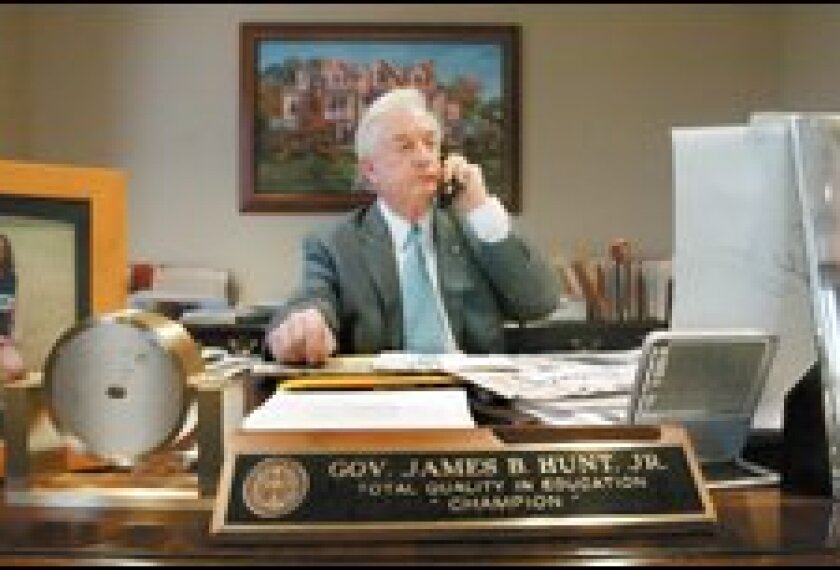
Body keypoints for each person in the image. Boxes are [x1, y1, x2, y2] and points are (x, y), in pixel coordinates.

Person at [267, 87, 559, 365]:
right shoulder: (335, 243)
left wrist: (481, 209)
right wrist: (303, 323)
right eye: (405, 146)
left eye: (431, 143)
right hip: (383, 402)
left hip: (476, 400)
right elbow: (313, 299)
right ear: (370, 171)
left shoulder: (473, 227)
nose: (424, 157)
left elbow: (539, 303)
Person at [0, 233, 24, 382]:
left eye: (2, 249)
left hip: (4, 336)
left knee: (17, 369)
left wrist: (10, 334)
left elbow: (10, 307)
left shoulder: (11, 277)